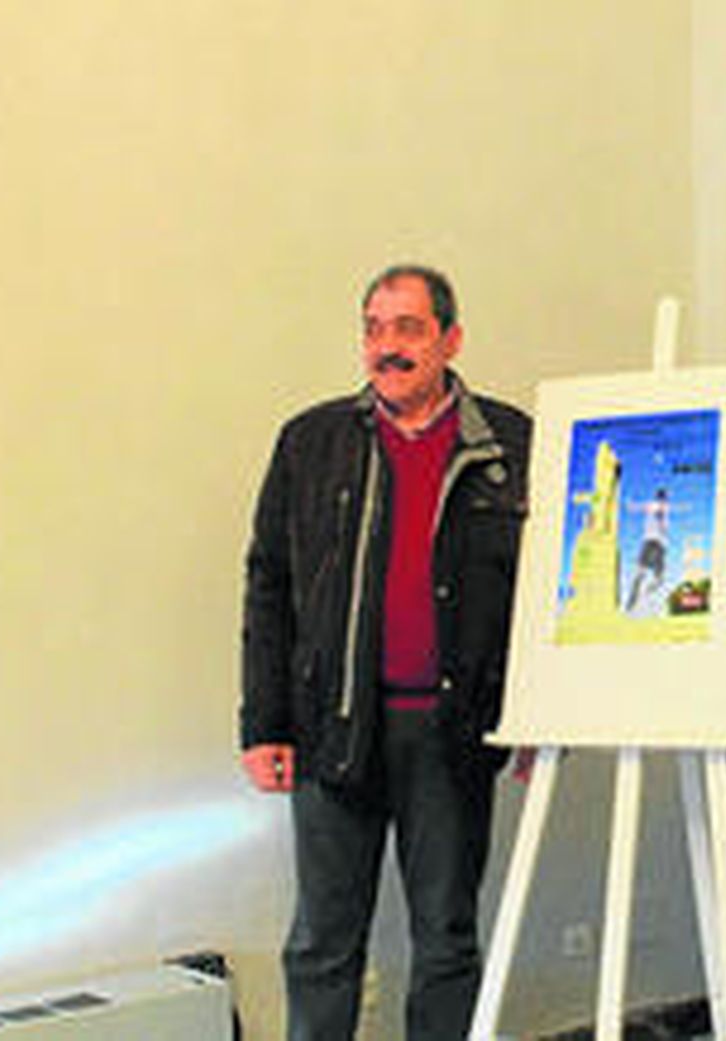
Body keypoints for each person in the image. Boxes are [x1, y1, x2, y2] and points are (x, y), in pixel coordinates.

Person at [239, 264, 530, 1041]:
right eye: (374, 327)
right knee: (322, 945)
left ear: (451, 339)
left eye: (408, 328)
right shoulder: (311, 441)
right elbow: (269, 586)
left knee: (445, 942)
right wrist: (262, 723)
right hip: (334, 727)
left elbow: (544, 598)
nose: (386, 346)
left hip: (454, 733)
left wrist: (534, 713)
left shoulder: (510, 443)